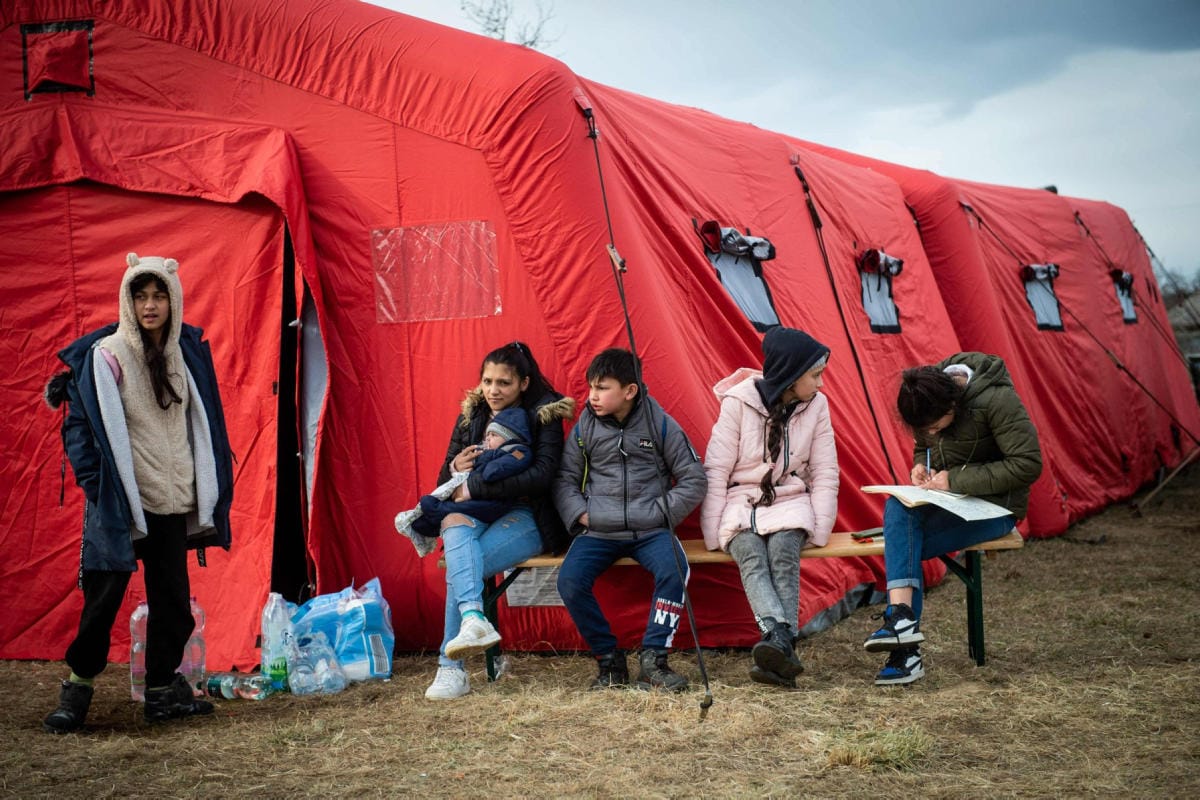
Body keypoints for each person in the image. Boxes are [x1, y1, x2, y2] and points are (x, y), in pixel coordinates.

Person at [41, 253, 234, 732]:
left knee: (173, 602)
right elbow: (80, 428)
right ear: (127, 301)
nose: (150, 305)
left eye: (159, 295)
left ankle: (162, 691)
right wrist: (97, 486)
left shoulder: (185, 353)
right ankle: (77, 689)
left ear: (173, 300)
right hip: (122, 501)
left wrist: (200, 487)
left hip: (171, 498)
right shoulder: (107, 354)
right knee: (103, 601)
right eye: (140, 296)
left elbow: (203, 419)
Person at [864, 353, 1042, 686]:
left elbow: (1028, 464)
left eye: (934, 426)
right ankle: (901, 619)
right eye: (924, 429)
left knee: (903, 545)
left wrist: (955, 479)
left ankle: (905, 655)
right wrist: (921, 465)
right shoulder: (925, 394)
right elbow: (923, 443)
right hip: (952, 502)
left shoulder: (996, 400)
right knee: (898, 506)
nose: (930, 432)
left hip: (996, 508)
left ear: (953, 405)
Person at [423, 342, 575, 700]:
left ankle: (450, 668)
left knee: (461, 566)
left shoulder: (543, 414)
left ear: (523, 383)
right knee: (453, 523)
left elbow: (542, 476)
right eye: (487, 381)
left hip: (528, 515)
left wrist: (475, 486)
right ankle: (474, 619)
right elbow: (444, 481)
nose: (493, 390)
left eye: (504, 383)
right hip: (477, 512)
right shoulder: (471, 414)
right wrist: (454, 467)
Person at [554, 348, 707, 691]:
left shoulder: (661, 424)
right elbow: (564, 479)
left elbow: (694, 479)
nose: (592, 396)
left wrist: (658, 513)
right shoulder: (583, 427)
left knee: (674, 570)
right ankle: (609, 661)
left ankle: (655, 661)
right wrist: (581, 514)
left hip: (651, 531)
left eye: (602, 387)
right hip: (599, 531)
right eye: (591, 387)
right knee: (569, 581)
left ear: (630, 390)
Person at [700, 327, 839, 688]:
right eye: (815, 375)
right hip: (741, 501)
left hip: (790, 499)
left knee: (782, 550)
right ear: (792, 376)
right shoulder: (737, 403)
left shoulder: (817, 405)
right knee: (749, 552)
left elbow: (825, 469)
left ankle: (776, 642)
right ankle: (782, 640)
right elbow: (717, 468)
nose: (821, 383)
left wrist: (820, 527)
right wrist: (713, 531)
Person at [394, 407, 533, 558]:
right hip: (479, 495)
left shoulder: (518, 451)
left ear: (509, 437)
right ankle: (427, 525)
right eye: (487, 435)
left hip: (497, 502)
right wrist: (456, 466)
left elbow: (494, 471)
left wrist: (483, 463)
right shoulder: (471, 423)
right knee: (458, 507)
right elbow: (445, 475)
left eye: (493, 435)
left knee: (465, 509)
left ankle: (438, 511)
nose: (488, 439)